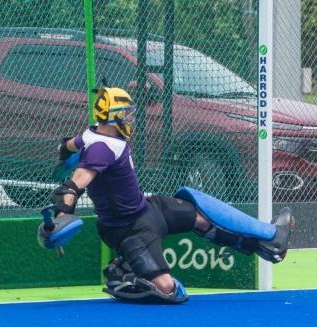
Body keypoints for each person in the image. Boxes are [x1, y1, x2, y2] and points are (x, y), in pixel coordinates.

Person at [47, 86, 294, 303]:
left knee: (202, 215)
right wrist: (61, 216)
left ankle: (266, 241)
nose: (131, 118)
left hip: (149, 209)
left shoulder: (92, 134)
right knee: (170, 291)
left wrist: (63, 150)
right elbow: (74, 185)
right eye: (127, 113)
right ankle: (123, 272)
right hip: (129, 230)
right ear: (114, 117)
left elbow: (70, 143)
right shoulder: (101, 148)